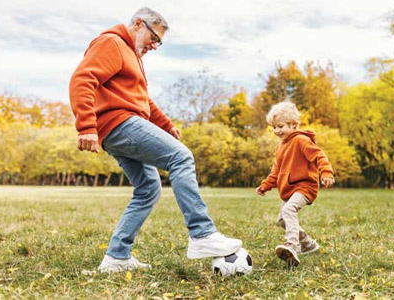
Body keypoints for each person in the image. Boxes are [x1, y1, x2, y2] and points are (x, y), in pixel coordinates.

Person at [69, 7, 242, 273]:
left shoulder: (131, 56)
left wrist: (166, 125)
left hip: (120, 125)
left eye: (159, 42)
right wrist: (86, 127)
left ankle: (116, 258)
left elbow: (142, 100)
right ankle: (202, 234)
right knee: (181, 157)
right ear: (139, 24)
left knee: (149, 188)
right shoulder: (112, 43)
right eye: (155, 38)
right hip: (119, 123)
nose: (155, 46)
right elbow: (83, 79)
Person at [255, 101, 335, 267]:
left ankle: (292, 245)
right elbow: (276, 172)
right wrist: (265, 185)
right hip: (289, 190)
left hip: (305, 187)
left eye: (280, 126)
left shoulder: (301, 140)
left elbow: (319, 155)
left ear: (293, 124)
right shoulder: (280, 147)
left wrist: (326, 172)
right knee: (282, 219)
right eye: (274, 128)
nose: (277, 131)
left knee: (288, 210)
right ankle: (307, 243)